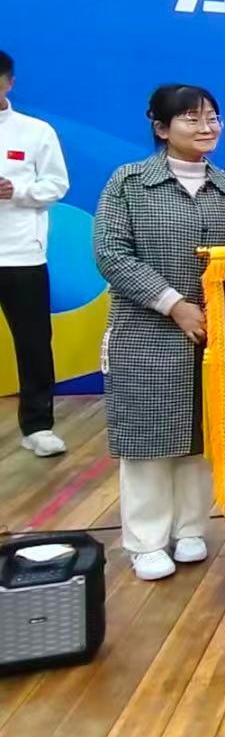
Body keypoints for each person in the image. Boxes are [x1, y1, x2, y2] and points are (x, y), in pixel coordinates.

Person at [94, 86, 225, 581]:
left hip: (213, 333)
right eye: (191, 118)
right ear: (162, 128)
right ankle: (145, 541)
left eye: (213, 118)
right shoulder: (129, 182)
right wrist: (174, 304)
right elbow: (111, 254)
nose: (206, 127)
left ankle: (190, 528)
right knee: (146, 439)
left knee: (200, 435)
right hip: (146, 331)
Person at [0, 50, 70, 457]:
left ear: (9, 83)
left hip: (21, 254)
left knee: (33, 343)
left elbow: (57, 184)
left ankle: (38, 426)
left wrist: (18, 191)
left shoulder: (35, 131)